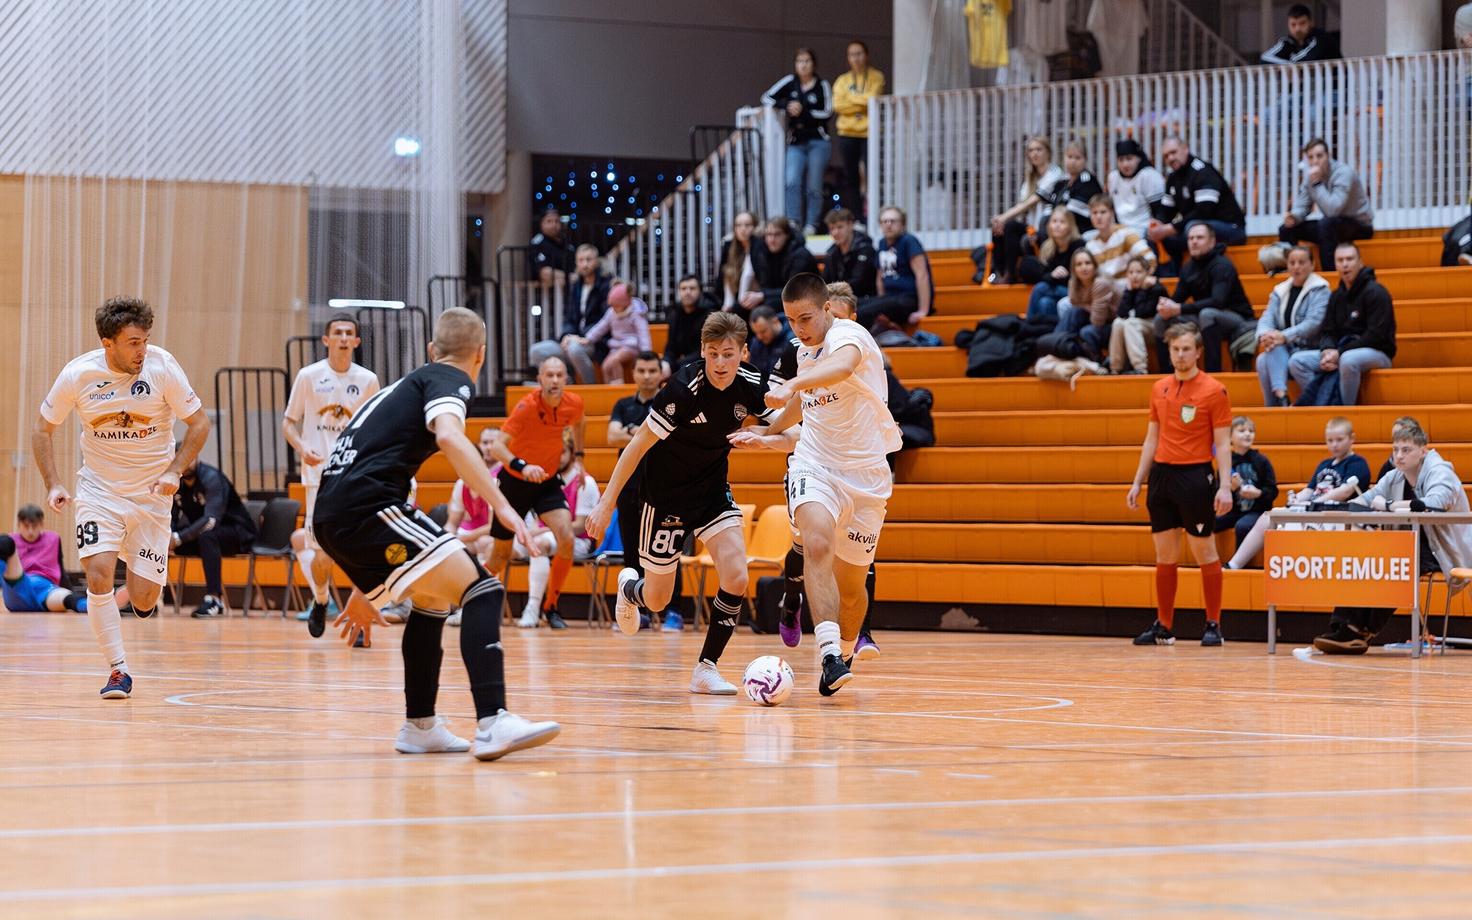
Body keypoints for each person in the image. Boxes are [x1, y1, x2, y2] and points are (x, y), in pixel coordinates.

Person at [315, 307, 560, 759]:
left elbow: (359, 463)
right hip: (366, 506)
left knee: (432, 600)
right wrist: (503, 505)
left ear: (432, 348)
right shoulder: (450, 380)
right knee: (483, 589)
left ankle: (421, 725)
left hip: (337, 510)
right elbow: (449, 436)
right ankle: (493, 721)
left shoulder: (397, 388)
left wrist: (364, 581)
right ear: (480, 356)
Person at [587, 312, 775, 693]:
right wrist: (606, 503)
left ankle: (706, 668)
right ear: (702, 351)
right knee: (657, 600)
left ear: (743, 352)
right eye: (712, 354)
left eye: (728, 354)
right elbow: (637, 445)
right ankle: (629, 589)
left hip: (711, 491)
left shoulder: (753, 384)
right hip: (664, 496)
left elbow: (787, 424)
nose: (720, 363)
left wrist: (772, 437)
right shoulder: (683, 389)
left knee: (737, 575)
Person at [731, 273, 901, 695]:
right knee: (817, 544)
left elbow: (839, 368)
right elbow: (797, 406)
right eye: (790, 321)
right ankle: (827, 656)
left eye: (805, 318)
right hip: (815, 465)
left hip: (866, 478)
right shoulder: (804, 354)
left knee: (854, 589)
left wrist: (793, 382)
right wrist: (766, 435)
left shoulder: (851, 336)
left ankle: (844, 652)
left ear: (827, 308)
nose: (798, 329)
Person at [33, 297, 212, 699]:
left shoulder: (163, 366)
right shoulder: (79, 374)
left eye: (145, 340)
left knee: (145, 600)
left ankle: (136, 559)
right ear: (107, 342)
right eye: (133, 342)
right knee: (97, 573)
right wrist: (54, 483)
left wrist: (173, 471)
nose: (142, 350)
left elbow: (199, 423)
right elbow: (42, 430)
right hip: (100, 491)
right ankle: (118, 670)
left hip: (151, 497)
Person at [1314, 418, 1472, 654]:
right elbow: (1363, 501)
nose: (1399, 456)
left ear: (1423, 450)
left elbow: (1435, 503)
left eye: (1406, 450)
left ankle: (1362, 630)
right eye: (1396, 450)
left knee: (1399, 562)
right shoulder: (1394, 476)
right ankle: (1344, 625)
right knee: (1368, 554)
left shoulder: (1440, 471)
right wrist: (1345, 507)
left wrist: (1388, 506)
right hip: (1410, 546)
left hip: (1445, 549)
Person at [1125, 322, 1233, 647]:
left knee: (1204, 550)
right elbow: (1151, 437)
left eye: (1187, 349)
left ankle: (1213, 623)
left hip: (1195, 476)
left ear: (1198, 351)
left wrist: (1225, 486)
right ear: (1169, 351)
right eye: (1175, 349)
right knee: (1165, 554)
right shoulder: (1159, 388)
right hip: (1162, 476)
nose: (1181, 355)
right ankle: (1164, 625)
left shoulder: (1215, 390)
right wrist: (1137, 481)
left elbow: (1224, 444)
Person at [282, 313, 381, 636]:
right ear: (326, 340)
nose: (342, 337)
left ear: (356, 342)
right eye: (336, 332)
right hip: (317, 477)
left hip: (353, 478)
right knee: (322, 553)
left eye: (348, 333)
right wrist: (301, 448)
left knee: (358, 548)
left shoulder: (367, 380)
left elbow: (372, 429)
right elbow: (288, 424)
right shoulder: (309, 376)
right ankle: (322, 599)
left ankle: (363, 618)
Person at [480, 355, 585, 629]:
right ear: (539, 380)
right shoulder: (526, 406)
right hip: (515, 481)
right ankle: (467, 595)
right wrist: (523, 467)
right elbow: (497, 448)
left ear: (566, 379)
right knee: (499, 556)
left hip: (547, 482)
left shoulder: (573, 403)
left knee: (566, 538)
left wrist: (581, 457)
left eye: (559, 375)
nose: (554, 380)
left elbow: (579, 424)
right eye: (548, 375)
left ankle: (551, 606)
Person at [608, 351, 688, 631]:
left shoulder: (672, 401)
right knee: (633, 552)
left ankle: (674, 611)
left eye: (651, 370)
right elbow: (611, 435)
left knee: (670, 551)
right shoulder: (621, 404)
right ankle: (636, 610)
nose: (646, 375)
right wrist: (645, 433)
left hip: (664, 489)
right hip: (630, 488)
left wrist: (634, 431)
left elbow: (672, 437)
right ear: (634, 373)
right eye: (641, 370)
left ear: (660, 373)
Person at [1226, 416, 1371, 570]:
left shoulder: (1357, 463)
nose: (1334, 445)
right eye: (1330, 440)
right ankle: (1233, 564)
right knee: (1268, 516)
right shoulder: (1324, 464)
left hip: (1335, 515)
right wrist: (1296, 499)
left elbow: (1345, 491)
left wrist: (1315, 503)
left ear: (1351, 438)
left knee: (1293, 527)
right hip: (1312, 510)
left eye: (1339, 440)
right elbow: (1309, 490)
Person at [1288, 242, 1395, 406]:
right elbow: (1328, 331)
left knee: (1348, 360)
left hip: (1378, 353)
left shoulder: (1376, 293)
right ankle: (1324, 402)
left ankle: (1345, 411)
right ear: (1335, 264)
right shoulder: (1336, 296)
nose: (1345, 264)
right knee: (1297, 361)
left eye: (1349, 259)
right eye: (1340, 260)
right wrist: (1326, 351)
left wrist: (1339, 353)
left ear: (1360, 262)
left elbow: (1376, 336)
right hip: (1341, 351)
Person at [514, 435, 599, 627]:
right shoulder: (545, 477)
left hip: (578, 541)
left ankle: (534, 607)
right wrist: (530, 533)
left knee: (540, 543)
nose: (558, 457)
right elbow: (538, 519)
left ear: (571, 453)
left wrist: (535, 534)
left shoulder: (585, 482)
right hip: (544, 535)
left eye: (562, 452)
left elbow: (580, 525)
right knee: (502, 546)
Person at [1154, 222, 1254, 373]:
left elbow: (1217, 302)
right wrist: (1166, 305)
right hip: (1203, 317)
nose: (1194, 241)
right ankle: (1167, 374)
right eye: (1190, 238)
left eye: (1199, 237)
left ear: (1212, 242)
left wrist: (1179, 309)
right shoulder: (1188, 267)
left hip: (1236, 318)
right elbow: (1177, 298)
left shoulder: (1222, 265)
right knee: (1160, 318)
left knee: (1207, 314)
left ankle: (1213, 373)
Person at [171, 456, 258, 618]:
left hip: (237, 533)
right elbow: (171, 517)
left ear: (196, 457)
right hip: (206, 536)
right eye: (180, 459)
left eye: (188, 458)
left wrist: (177, 538)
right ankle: (151, 598)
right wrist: (168, 537)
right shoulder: (177, 482)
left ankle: (215, 599)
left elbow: (211, 520)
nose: (185, 463)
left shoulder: (211, 478)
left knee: (206, 537)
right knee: (161, 542)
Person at [1149, 136, 1247, 274]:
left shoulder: (1202, 171)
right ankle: (1172, 275)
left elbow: (1203, 212)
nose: (1170, 158)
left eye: (1173, 152)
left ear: (1185, 149)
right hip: (1198, 226)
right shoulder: (1173, 177)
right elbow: (1166, 211)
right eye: (1166, 156)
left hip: (1231, 228)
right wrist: (1157, 225)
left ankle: (1204, 271)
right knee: (1158, 234)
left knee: (1194, 227)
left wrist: (1169, 228)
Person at [762, 48, 833, 234]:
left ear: (814, 64)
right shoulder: (789, 82)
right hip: (796, 141)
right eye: (800, 61)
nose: (803, 65)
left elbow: (828, 112)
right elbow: (767, 97)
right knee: (791, 181)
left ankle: (812, 223)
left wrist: (804, 111)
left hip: (818, 140)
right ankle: (793, 221)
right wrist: (786, 105)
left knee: (814, 184)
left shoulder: (822, 85)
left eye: (807, 61)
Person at [1277, 140, 1374, 271]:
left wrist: (1316, 184)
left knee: (1326, 224)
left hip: (1359, 225)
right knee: (1286, 229)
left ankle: (1330, 275)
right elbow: (1302, 205)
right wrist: (1294, 217)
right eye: (1310, 157)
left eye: (1319, 156)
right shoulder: (1310, 178)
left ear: (1328, 155)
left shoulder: (1344, 173)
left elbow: (1333, 209)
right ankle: (1292, 273)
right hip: (1333, 225)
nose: (1315, 161)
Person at [1255, 245, 1330, 406]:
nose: (1296, 267)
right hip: (1287, 348)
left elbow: (1313, 324)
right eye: (1292, 262)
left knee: (1291, 358)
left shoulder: (1321, 289)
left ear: (1312, 264)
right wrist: (1264, 335)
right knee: (1263, 358)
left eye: (1301, 262)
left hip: (1313, 348)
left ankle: (1316, 402)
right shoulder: (1280, 290)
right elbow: (1266, 318)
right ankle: (1278, 403)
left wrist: (1283, 336)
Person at [985, 137, 1066, 285]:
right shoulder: (1030, 179)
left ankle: (1010, 275)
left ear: (1048, 152)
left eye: (1038, 149)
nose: (1034, 154)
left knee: (1009, 225)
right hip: (1030, 226)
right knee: (1000, 229)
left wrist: (1003, 217)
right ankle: (999, 273)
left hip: (1046, 227)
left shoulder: (1055, 173)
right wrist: (1000, 221)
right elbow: (1021, 208)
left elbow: (1030, 202)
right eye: (1031, 150)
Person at [531, 243, 610, 384]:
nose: (584, 264)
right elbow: (569, 318)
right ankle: (567, 384)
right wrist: (566, 335)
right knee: (536, 351)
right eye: (581, 260)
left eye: (588, 259)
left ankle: (590, 388)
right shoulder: (576, 287)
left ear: (596, 262)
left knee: (574, 349)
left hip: (595, 341)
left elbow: (605, 320)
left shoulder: (606, 285)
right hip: (574, 339)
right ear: (576, 263)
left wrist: (580, 337)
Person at [0, 505, 89, 613]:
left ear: (41, 524)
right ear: (19, 525)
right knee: (5, 541)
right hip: (19, 585)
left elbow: (60, 568)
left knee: (73, 600)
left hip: (46, 590)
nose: (30, 531)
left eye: (34, 526)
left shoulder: (53, 538)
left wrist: (71, 591)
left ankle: (104, 611)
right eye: (26, 526)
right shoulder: (13, 539)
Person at [832, 40, 884, 216]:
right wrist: (862, 102)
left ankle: (875, 212)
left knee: (873, 174)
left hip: (870, 133)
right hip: (847, 133)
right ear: (848, 58)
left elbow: (874, 98)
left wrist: (852, 99)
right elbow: (839, 105)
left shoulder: (876, 76)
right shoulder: (842, 80)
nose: (856, 58)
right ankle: (856, 216)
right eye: (852, 54)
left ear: (866, 55)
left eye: (859, 53)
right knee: (851, 176)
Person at [862, 206, 933, 329]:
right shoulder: (882, 243)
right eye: (885, 221)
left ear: (903, 224)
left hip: (908, 298)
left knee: (862, 313)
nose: (888, 225)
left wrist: (923, 310)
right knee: (852, 304)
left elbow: (922, 276)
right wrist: (881, 299)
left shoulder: (909, 241)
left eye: (893, 221)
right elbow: (880, 276)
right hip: (889, 298)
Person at [1214, 416, 1277, 549]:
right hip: (1233, 511)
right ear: (1230, 437)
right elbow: (1216, 491)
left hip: (1257, 511)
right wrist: (1231, 488)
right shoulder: (1226, 462)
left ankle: (1238, 565)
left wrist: (1258, 493)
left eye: (1251, 431)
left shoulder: (1261, 461)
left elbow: (1272, 490)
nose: (1248, 433)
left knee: (1243, 526)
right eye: (1242, 430)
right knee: (1209, 523)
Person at [443, 427, 501, 564]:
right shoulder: (460, 484)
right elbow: (452, 523)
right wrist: (445, 538)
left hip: (494, 535)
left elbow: (494, 527)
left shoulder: (495, 482)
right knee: (447, 547)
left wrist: (461, 538)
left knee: (484, 543)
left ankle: (486, 584)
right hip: (471, 534)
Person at [576, 281, 652, 384]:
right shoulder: (611, 312)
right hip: (616, 347)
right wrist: (588, 338)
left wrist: (646, 353)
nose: (614, 308)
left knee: (614, 361)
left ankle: (618, 388)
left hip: (631, 347)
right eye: (613, 305)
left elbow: (643, 334)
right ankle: (610, 391)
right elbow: (601, 327)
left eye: (617, 306)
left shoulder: (636, 313)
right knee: (605, 366)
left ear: (625, 304)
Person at [742, 217, 818, 320]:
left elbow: (794, 290)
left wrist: (763, 295)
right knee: (739, 309)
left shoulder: (800, 255)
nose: (772, 239)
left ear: (787, 235)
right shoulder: (762, 253)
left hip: (801, 300)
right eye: (769, 235)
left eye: (777, 235)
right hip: (773, 298)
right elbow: (764, 284)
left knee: (764, 311)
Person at [1020, 206, 1083, 322]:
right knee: (1045, 303)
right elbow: (1046, 275)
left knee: (1040, 288)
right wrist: (1052, 276)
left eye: (1062, 222)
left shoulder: (1078, 245)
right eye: (1054, 221)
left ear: (1070, 226)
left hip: (1075, 291)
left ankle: (1027, 326)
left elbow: (1078, 278)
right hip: (1056, 290)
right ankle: (1046, 334)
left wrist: (1052, 277)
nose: (1057, 225)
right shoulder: (1047, 247)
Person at [1055, 248, 1119, 358]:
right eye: (1079, 264)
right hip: (1091, 320)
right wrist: (1088, 306)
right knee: (1073, 313)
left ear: (1094, 265)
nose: (1084, 267)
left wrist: (1083, 306)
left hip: (1113, 324)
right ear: (1074, 269)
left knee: (1086, 331)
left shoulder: (1100, 283)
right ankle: (1057, 347)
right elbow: (1074, 305)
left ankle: (1096, 364)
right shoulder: (1073, 283)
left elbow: (1097, 321)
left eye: (1087, 263)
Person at [1084, 194, 1155, 288]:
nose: (1098, 217)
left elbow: (1150, 259)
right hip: (1105, 291)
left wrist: (1139, 284)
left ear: (1112, 213)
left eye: (1103, 212)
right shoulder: (1090, 245)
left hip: (1127, 288)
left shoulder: (1125, 234)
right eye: (1094, 213)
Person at [1110, 256, 1165, 374]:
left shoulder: (1156, 288)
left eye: (1139, 272)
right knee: (1118, 323)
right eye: (1130, 272)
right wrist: (1129, 292)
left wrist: (1143, 290)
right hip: (1137, 328)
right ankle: (1115, 368)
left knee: (1130, 323)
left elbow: (1143, 312)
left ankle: (1140, 369)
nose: (1134, 275)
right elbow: (1121, 313)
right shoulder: (1130, 289)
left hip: (1157, 329)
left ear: (1148, 272)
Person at [1106, 138, 1166, 240]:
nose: (1125, 164)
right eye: (1121, 160)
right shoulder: (1113, 177)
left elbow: (1159, 212)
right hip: (1118, 228)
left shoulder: (1149, 175)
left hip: (1143, 229)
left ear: (1139, 158)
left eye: (1129, 159)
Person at [1044, 138, 1105, 235]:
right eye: (1070, 157)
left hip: (1081, 229)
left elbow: (1071, 213)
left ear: (1085, 160)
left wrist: (1053, 220)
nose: (1073, 161)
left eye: (1077, 158)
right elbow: (1049, 206)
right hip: (1059, 227)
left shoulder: (1088, 180)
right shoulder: (1062, 181)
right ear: (1064, 158)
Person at [662, 274, 712, 377]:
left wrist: (677, 364)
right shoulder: (674, 314)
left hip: (704, 362)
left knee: (684, 369)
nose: (687, 292)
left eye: (692, 288)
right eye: (683, 289)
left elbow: (706, 350)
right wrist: (666, 363)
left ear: (700, 291)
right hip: (682, 363)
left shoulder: (710, 315)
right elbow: (671, 348)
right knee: (659, 369)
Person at [822, 208, 877, 297]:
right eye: (832, 228)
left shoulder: (865, 249)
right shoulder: (831, 253)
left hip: (864, 299)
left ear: (851, 225)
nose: (835, 232)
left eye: (840, 227)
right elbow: (825, 281)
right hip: (839, 299)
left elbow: (858, 282)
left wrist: (831, 290)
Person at [1260, 4, 1336, 64]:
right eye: (1293, 24)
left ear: (1311, 22)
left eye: (1302, 23)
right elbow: (1265, 58)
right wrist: (1288, 66)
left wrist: (1288, 66)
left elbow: (1301, 62)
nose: (1297, 29)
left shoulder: (1321, 38)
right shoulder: (1288, 42)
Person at [718, 211, 759, 309]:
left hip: (754, 300)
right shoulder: (729, 247)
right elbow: (725, 276)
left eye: (747, 225)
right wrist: (727, 305)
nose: (743, 229)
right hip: (735, 302)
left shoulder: (760, 247)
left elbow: (749, 276)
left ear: (755, 227)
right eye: (738, 225)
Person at [528, 208, 574, 288]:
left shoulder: (567, 245)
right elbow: (544, 273)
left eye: (557, 221)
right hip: (544, 292)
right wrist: (570, 277)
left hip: (568, 289)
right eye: (549, 221)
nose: (554, 225)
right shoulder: (537, 243)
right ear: (542, 224)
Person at [747, 306, 793, 379]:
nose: (759, 337)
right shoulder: (756, 342)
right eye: (756, 333)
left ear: (775, 321)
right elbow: (755, 373)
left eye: (763, 331)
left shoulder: (792, 339)